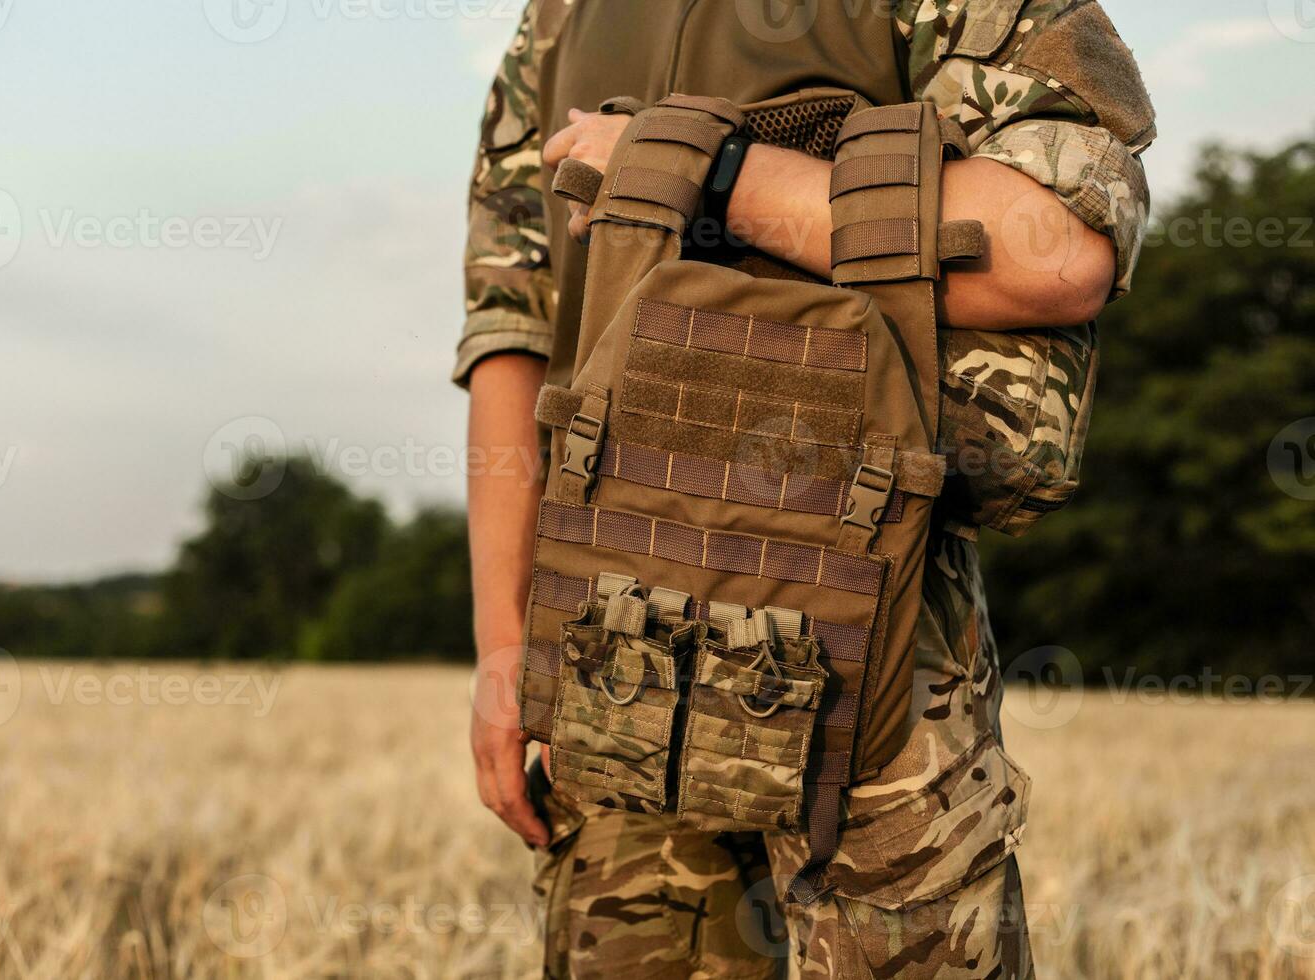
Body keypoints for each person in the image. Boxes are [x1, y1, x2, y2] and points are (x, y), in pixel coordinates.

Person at [459, 2, 1154, 976]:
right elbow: (516, 332)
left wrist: (706, 175)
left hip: (873, 627)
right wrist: (502, 650)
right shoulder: (558, 17)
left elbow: (1059, 248)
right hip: (611, 648)